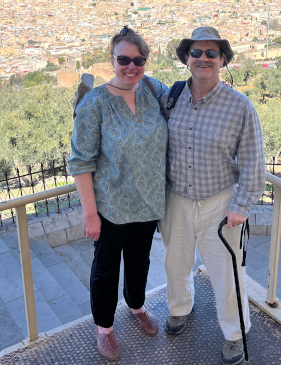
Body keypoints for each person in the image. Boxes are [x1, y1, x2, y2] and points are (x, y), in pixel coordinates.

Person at [160, 26, 265, 365]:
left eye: (210, 53)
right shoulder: (171, 98)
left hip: (220, 202)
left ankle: (235, 334)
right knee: (176, 263)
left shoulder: (240, 107)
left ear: (222, 59)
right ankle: (179, 309)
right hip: (176, 199)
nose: (202, 58)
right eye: (196, 52)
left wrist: (241, 206)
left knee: (227, 273)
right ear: (186, 59)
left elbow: (252, 160)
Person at [68, 27, 168, 360]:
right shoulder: (95, 103)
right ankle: (105, 328)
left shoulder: (154, 90)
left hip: (149, 202)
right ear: (112, 60)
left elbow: (190, 101)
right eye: (123, 59)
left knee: (140, 261)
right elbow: (81, 161)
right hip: (110, 206)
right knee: (106, 268)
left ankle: (137, 305)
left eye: (138, 59)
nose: (131, 66)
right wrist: (89, 213)